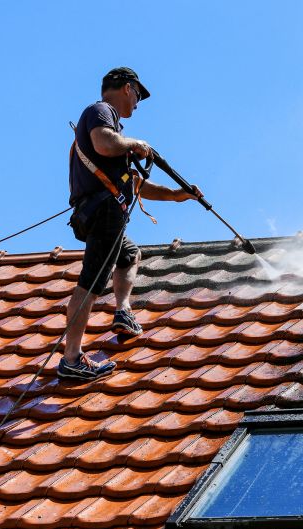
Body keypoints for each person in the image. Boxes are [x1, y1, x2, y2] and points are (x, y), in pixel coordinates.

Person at [59, 67, 202, 380]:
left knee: (129, 254)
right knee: (91, 283)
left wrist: (180, 195)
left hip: (100, 213)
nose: (137, 103)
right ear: (126, 87)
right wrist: (133, 142)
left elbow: (139, 185)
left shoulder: (116, 138)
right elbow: (104, 143)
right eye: (138, 95)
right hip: (105, 212)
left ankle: (123, 311)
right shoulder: (101, 112)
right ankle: (71, 359)